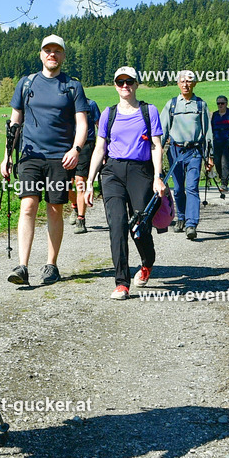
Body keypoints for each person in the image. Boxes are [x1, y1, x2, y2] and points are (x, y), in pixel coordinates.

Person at [2, 34, 89, 285]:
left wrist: (76, 149)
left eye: (57, 51)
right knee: (27, 205)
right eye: (47, 50)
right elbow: (14, 122)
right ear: (41, 54)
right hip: (30, 156)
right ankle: (22, 267)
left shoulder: (73, 86)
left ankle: (51, 265)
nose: (52, 54)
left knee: (54, 209)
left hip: (60, 159)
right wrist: (7, 156)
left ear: (63, 56)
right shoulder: (26, 83)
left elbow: (82, 123)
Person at [84, 67, 165, 300]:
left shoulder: (149, 112)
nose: (125, 86)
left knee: (139, 227)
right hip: (113, 172)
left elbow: (156, 146)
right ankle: (122, 283)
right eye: (120, 82)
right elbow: (100, 148)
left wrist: (157, 177)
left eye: (129, 81)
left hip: (141, 172)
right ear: (115, 86)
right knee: (117, 225)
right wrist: (90, 182)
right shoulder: (108, 114)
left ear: (137, 84)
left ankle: (147, 261)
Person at [159, 70, 213, 241]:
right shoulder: (172, 105)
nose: (185, 84)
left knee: (191, 188)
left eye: (189, 81)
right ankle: (180, 218)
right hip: (175, 151)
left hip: (195, 152)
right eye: (182, 81)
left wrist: (209, 156)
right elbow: (162, 131)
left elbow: (207, 132)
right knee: (179, 189)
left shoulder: (201, 105)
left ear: (194, 84)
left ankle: (191, 224)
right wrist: (157, 153)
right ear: (178, 84)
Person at [68, 98, 102, 234]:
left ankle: (81, 220)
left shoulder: (91, 104)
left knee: (80, 181)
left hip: (86, 145)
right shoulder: (63, 104)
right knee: (66, 184)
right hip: (67, 145)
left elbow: (100, 126)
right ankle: (75, 206)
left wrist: (102, 148)